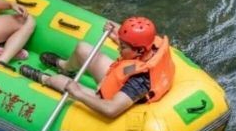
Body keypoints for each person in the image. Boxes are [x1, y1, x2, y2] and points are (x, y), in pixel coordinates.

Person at [19, 16, 175, 119]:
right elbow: (133, 56)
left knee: (60, 81)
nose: (118, 48)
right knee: (82, 49)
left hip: (111, 97)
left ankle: (43, 77)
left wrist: (79, 94)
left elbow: (111, 109)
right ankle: (64, 66)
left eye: (122, 46)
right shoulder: (150, 45)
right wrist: (117, 33)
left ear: (139, 50)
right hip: (120, 76)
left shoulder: (139, 81)